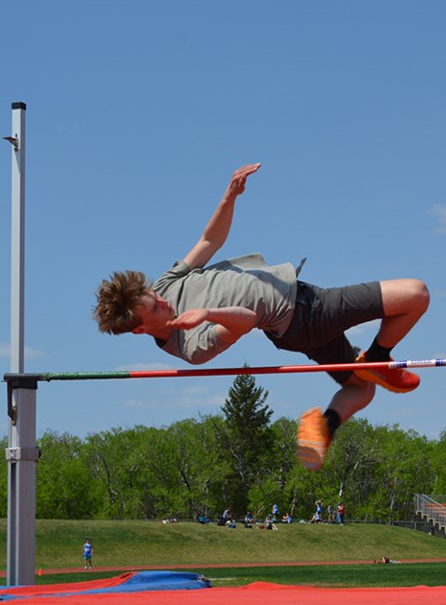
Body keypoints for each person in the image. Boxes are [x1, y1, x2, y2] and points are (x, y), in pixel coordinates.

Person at [93, 163, 429, 471]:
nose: (162, 301)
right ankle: (379, 357)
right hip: (304, 315)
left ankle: (324, 424)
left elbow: (210, 240)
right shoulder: (189, 347)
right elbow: (247, 319)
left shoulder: (166, 285)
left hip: (301, 312)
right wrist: (207, 314)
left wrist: (230, 196)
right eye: (154, 308)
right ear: (139, 329)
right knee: (416, 294)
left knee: (361, 389)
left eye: (154, 296)